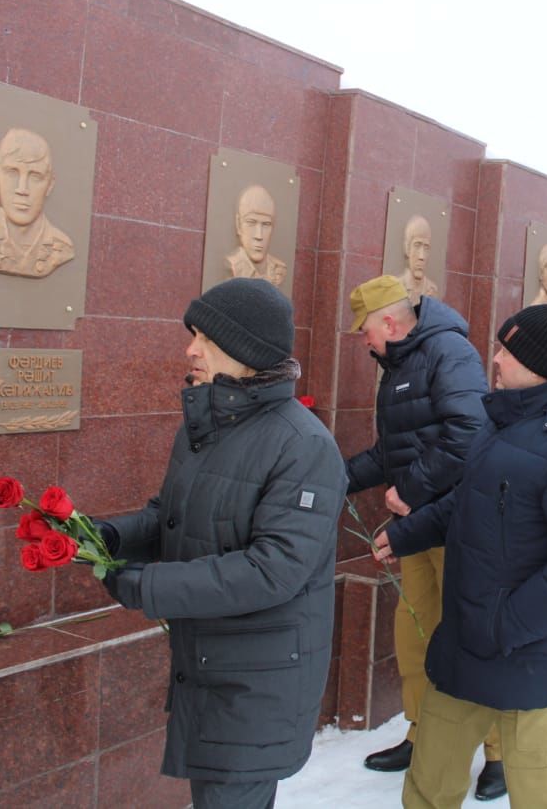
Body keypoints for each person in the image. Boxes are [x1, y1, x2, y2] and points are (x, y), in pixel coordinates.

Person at [96, 278, 345, 809]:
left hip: (260, 681)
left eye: (205, 339)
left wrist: (149, 587)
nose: (190, 349)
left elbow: (273, 569)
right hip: (211, 663)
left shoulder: (305, 446)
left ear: (246, 352)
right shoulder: (208, 424)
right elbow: (172, 515)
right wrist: (111, 535)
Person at [372, 303, 547, 808]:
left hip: (530, 647)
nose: (493, 359)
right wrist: (411, 532)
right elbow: (476, 496)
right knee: (431, 775)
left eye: (505, 351)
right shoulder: (510, 414)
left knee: (534, 780)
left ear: (539, 362)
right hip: (471, 636)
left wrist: (504, 625)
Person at [341, 276, 493, 785]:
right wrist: (337, 478)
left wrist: (412, 489)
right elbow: (395, 450)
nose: (362, 339)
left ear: (389, 321)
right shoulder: (398, 362)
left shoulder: (449, 351)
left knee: (467, 635)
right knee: (417, 634)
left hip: (455, 522)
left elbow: (469, 434)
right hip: (417, 526)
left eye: (364, 329)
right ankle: (421, 731)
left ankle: (498, 753)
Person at [0, 128, 74, 278]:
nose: (22, 189)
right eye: (12, 172)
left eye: (35, 177)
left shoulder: (62, 247)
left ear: (50, 184)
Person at [225, 185, 287, 286]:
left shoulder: (279, 269)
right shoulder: (232, 265)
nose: (259, 236)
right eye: (251, 223)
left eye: (266, 224)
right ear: (238, 224)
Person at [396, 215, 441, 304]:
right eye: (417, 245)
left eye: (426, 247)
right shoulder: (396, 286)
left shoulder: (432, 290)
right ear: (407, 248)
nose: (422, 256)